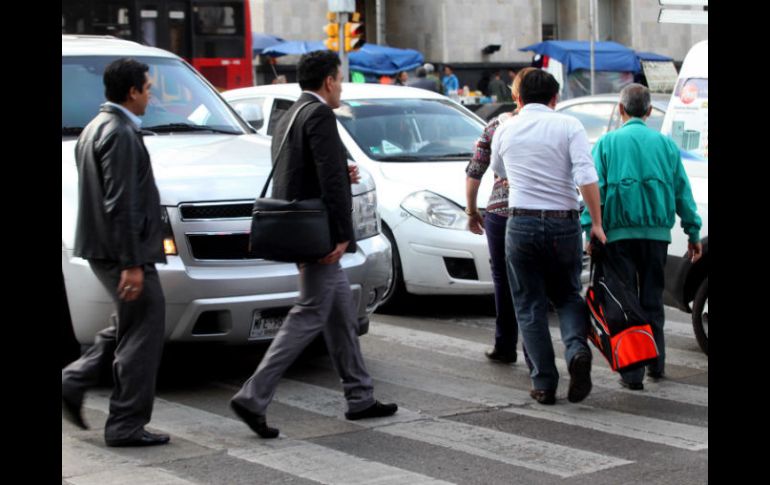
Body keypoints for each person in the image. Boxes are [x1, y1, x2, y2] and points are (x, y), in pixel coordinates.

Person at [229, 50, 398, 439]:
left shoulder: (289, 115)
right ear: (328, 81)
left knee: (340, 315)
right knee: (308, 314)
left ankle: (360, 396)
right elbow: (330, 182)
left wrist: (340, 168)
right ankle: (253, 396)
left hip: (302, 230)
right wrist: (342, 235)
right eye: (339, 79)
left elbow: (302, 174)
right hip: (320, 235)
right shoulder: (320, 114)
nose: (340, 87)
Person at [61, 58, 170, 447]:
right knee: (145, 329)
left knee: (131, 321)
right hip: (123, 252)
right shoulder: (120, 132)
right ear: (132, 92)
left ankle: (74, 380)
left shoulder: (95, 127)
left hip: (104, 248)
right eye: (149, 88)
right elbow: (121, 203)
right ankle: (125, 424)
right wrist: (132, 263)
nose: (151, 95)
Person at [490, 69, 607, 406]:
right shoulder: (569, 125)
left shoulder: (505, 128)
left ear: (518, 98)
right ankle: (575, 350)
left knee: (529, 304)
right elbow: (586, 176)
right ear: (555, 99)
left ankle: (543, 383)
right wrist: (595, 224)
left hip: (521, 223)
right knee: (569, 295)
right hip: (563, 223)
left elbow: (500, 171)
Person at [580, 83, 702, 390]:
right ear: (649, 112)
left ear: (620, 110)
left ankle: (632, 372)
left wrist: (589, 229)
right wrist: (693, 232)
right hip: (656, 237)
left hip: (617, 237)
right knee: (652, 299)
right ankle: (656, 363)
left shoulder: (607, 143)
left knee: (624, 301)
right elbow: (682, 192)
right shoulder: (666, 146)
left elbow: (597, 191)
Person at [465, 67, 536, 365]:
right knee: (534, 282)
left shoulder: (497, 124)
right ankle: (535, 353)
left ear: (515, 94)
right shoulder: (558, 126)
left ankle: (504, 344)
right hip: (541, 211)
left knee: (503, 280)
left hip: (501, 212)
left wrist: (472, 211)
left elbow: (475, 170)